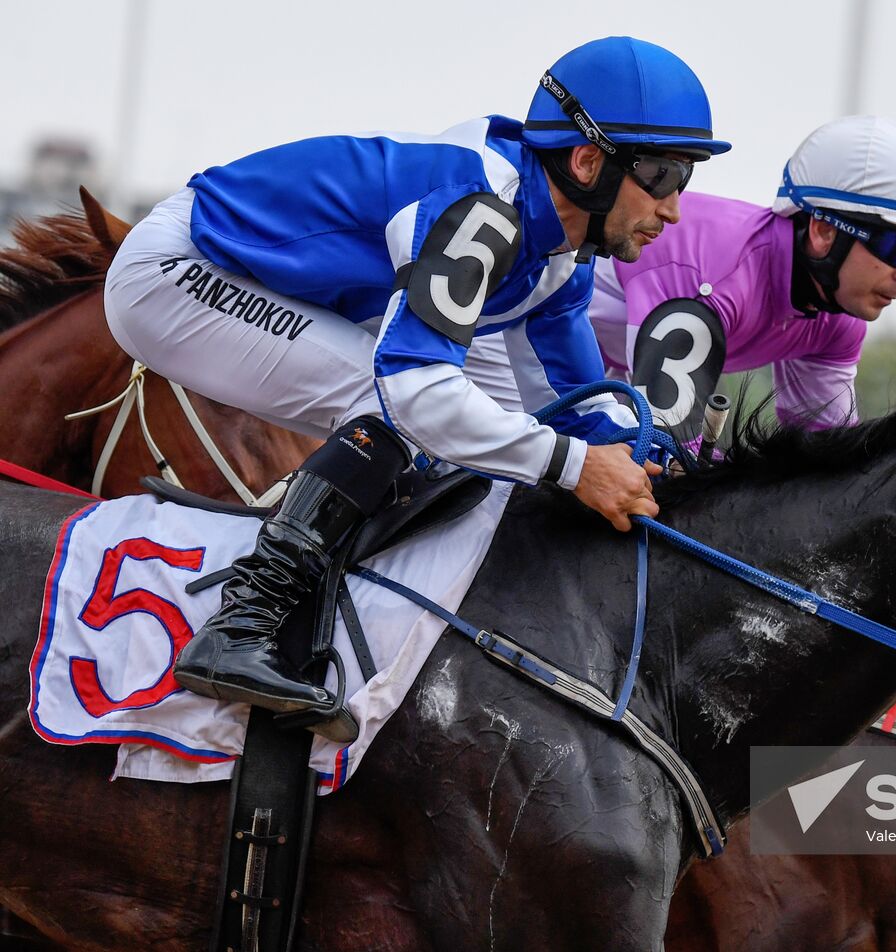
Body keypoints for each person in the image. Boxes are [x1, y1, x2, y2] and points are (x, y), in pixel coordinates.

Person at [102, 36, 730, 735]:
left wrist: (678, 476)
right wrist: (578, 468)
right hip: (180, 271)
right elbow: (417, 393)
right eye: (663, 175)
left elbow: (579, 409)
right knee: (406, 409)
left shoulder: (562, 259)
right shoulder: (482, 206)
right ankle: (241, 625)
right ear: (587, 162)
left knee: (464, 428)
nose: (674, 209)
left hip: (254, 281)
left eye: (685, 178)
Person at [587, 115, 896, 440]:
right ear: (823, 232)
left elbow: (824, 460)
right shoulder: (718, 281)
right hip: (546, 354)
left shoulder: (837, 324)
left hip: (610, 372)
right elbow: (666, 447)